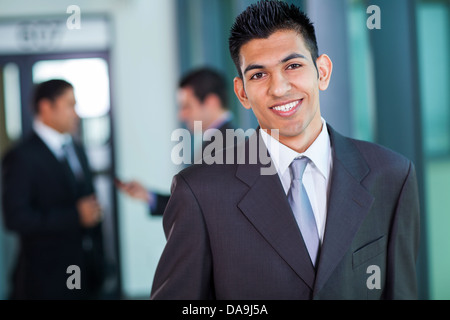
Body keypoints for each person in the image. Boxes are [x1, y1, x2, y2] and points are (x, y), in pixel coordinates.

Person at [150, 0, 420, 300]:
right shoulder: (200, 192)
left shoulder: (392, 176)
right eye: (258, 75)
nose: (279, 88)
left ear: (323, 71)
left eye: (293, 66)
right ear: (242, 93)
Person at [1, 79, 105, 299]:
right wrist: (75, 216)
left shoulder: (76, 148)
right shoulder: (21, 157)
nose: (76, 114)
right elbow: (16, 218)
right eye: (70, 105)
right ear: (46, 107)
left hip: (83, 270)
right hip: (45, 279)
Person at [116, 67, 235, 216]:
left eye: (187, 106)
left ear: (211, 102)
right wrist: (148, 196)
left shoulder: (226, 146)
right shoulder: (219, 141)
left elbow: (200, 209)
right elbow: (196, 201)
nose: (182, 115)